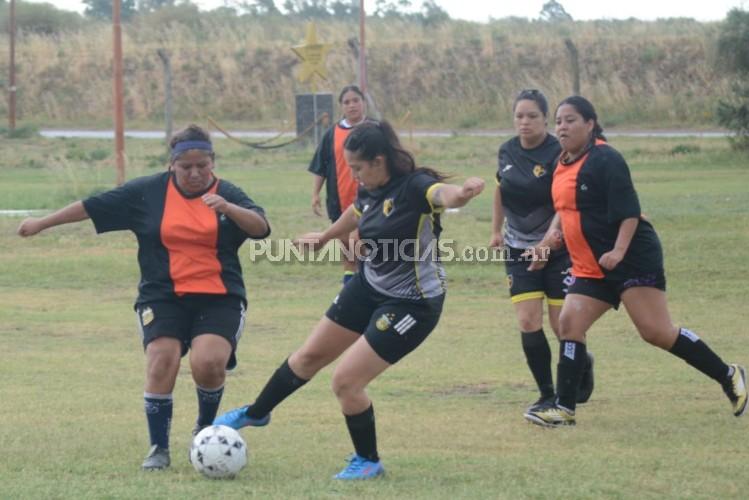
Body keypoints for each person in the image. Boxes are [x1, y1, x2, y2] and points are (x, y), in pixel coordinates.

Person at [214, 120, 485, 480]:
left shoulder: (415, 186)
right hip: (368, 284)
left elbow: (443, 196)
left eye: (357, 167)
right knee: (307, 356)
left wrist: (464, 193)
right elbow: (356, 213)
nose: (353, 175)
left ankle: (368, 460)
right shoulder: (369, 189)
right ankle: (257, 412)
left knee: (346, 381)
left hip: (412, 303)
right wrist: (326, 237)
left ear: (379, 160)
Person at [17, 125, 271, 468]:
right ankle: (158, 448)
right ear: (172, 164)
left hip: (219, 296)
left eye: (203, 165)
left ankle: (204, 430)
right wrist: (42, 223)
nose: (195, 173)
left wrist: (228, 207)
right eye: (186, 166)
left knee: (208, 363)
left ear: (212, 162)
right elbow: (92, 206)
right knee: (161, 359)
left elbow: (261, 227)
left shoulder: (227, 192)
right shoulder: (148, 193)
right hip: (162, 295)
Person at [523, 96, 749, 427]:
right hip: (592, 264)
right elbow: (564, 209)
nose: (562, 126)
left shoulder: (606, 159)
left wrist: (618, 250)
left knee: (656, 332)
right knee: (569, 323)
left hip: (631, 256)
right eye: (558, 120)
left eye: (570, 120)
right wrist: (547, 243)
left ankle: (728, 375)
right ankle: (563, 408)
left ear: (590, 123)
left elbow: (629, 211)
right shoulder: (562, 161)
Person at [489, 89, 595, 422]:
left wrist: (549, 242)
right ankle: (547, 394)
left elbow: (564, 203)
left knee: (562, 324)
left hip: (560, 249)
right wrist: (495, 231)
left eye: (532, 115)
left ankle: (582, 364)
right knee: (527, 321)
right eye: (519, 115)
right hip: (518, 249)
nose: (525, 122)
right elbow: (500, 190)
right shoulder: (506, 150)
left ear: (545, 119)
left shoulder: (557, 152)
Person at [309, 85, 370, 284]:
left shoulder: (375, 129)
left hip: (372, 200)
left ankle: (365, 285)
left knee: (361, 245)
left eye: (356, 100)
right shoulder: (332, 134)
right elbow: (321, 166)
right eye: (347, 102)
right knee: (348, 252)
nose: (352, 105)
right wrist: (315, 193)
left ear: (363, 103)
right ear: (341, 107)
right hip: (340, 200)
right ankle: (349, 289)